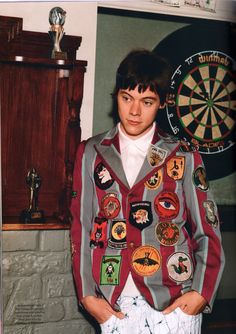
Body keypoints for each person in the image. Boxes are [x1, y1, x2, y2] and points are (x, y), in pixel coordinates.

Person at [70, 49, 225, 334]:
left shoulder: (183, 154)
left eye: (147, 101)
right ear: (116, 95)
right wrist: (87, 296)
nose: (134, 111)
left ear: (162, 103)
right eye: (126, 98)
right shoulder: (91, 152)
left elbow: (208, 230)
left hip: (175, 301)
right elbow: (81, 226)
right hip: (114, 303)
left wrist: (201, 292)